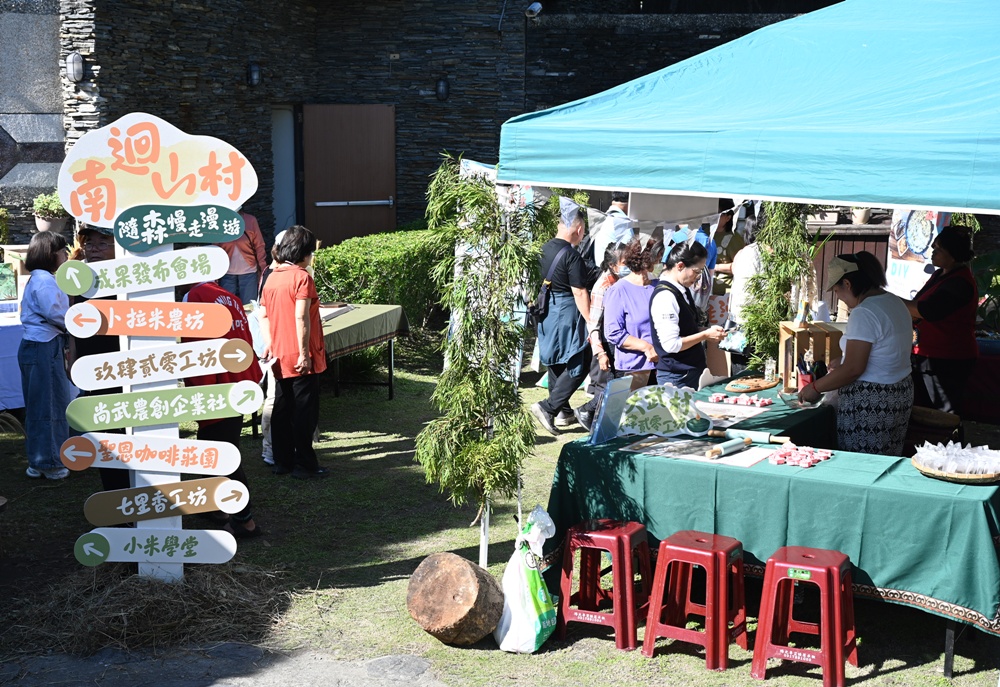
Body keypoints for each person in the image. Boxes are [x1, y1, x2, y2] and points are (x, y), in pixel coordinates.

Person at [799, 252, 913, 455]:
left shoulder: (864, 312)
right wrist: (842, 359)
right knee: (887, 457)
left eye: (837, 290)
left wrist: (815, 387)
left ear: (847, 284)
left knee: (863, 460)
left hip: (872, 401)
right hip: (899, 393)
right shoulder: (894, 301)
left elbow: (853, 369)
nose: (838, 297)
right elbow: (884, 351)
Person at [183, 279, 264, 537]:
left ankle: (244, 520)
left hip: (216, 386)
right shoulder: (230, 297)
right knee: (214, 447)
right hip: (237, 382)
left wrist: (197, 389)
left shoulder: (195, 296)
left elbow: (194, 348)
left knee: (222, 455)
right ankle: (217, 507)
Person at [259, 225, 329, 478]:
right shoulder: (302, 277)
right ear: (304, 252)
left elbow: (262, 314)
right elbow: (301, 316)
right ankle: (304, 464)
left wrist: (269, 343)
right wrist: (304, 353)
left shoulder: (272, 276)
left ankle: (282, 461)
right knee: (303, 411)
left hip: (279, 352)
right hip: (300, 353)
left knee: (282, 407)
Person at [70, 222, 130, 491]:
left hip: (125, 366)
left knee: (126, 427)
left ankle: (133, 486)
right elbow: (73, 323)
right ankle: (114, 492)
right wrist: (72, 356)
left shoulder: (130, 278)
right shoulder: (80, 280)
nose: (93, 249)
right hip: (92, 369)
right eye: (89, 244)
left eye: (102, 243)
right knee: (104, 430)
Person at [530, 202, 592, 435]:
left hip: (546, 311)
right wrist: (591, 322)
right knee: (580, 361)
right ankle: (548, 407)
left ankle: (562, 411)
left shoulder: (542, 249)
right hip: (566, 313)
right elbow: (579, 292)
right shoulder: (571, 256)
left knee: (556, 361)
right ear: (579, 229)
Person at [902, 225, 978, 413]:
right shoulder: (939, 274)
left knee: (943, 414)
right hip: (928, 353)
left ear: (953, 255)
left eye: (938, 248)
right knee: (924, 410)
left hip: (948, 358)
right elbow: (918, 304)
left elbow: (929, 310)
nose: (932, 251)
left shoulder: (960, 283)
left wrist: (891, 300)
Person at [17, 231, 72, 480]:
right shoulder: (45, 281)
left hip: (37, 344)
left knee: (38, 403)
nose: (66, 255)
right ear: (51, 253)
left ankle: (39, 459)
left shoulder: (38, 278)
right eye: (62, 251)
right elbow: (55, 313)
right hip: (44, 345)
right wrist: (78, 323)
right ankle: (49, 463)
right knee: (49, 404)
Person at [649, 241, 725, 388]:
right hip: (677, 377)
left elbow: (686, 329)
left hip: (691, 372)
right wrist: (705, 335)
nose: (698, 277)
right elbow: (672, 345)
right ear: (680, 266)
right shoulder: (665, 297)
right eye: (696, 271)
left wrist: (706, 331)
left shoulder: (682, 290)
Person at [575, 241, 629, 431]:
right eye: (625, 263)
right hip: (608, 342)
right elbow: (593, 324)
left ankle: (597, 416)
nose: (629, 266)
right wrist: (600, 353)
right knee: (612, 383)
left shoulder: (622, 282)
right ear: (613, 265)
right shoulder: (603, 287)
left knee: (618, 382)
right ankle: (587, 411)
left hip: (620, 338)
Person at [602, 238, 660, 389]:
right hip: (635, 368)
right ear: (648, 261)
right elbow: (613, 332)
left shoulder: (658, 286)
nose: (661, 263)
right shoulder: (618, 291)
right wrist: (646, 347)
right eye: (659, 259)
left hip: (662, 366)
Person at [217, 209, 267, 307]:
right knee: (227, 307)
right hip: (226, 272)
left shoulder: (250, 220)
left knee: (250, 308)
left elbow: (259, 245)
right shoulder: (220, 221)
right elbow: (215, 248)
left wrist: (263, 267)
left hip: (249, 271)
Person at [590, 191, 630, 270]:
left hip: (600, 271)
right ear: (630, 201)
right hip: (614, 272)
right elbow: (631, 254)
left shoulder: (604, 218)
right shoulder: (621, 222)